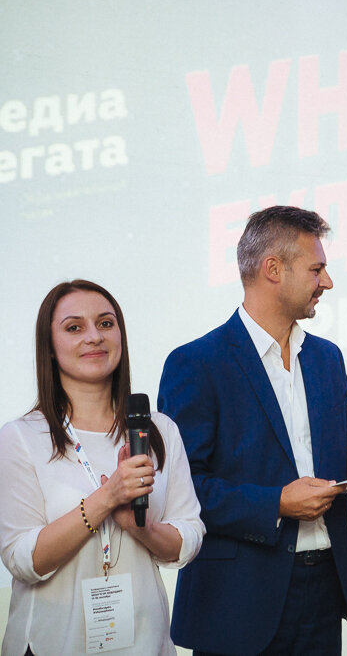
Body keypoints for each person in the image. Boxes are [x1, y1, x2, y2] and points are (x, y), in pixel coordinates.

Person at [158, 206, 347, 656]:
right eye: (317, 269)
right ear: (273, 269)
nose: (327, 282)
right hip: (237, 603)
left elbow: (344, 458)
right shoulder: (196, 363)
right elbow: (184, 489)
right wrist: (276, 503)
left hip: (323, 591)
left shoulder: (326, 358)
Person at [0, 280, 205, 656]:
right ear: (49, 348)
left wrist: (140, 528)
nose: (94, 336)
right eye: (74, 327)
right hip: (53, 644)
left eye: (106, 323)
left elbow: (188, 538)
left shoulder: (159, 430)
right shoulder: (21, 437)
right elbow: (22, 559)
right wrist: (107, 498)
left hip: (145, 643)